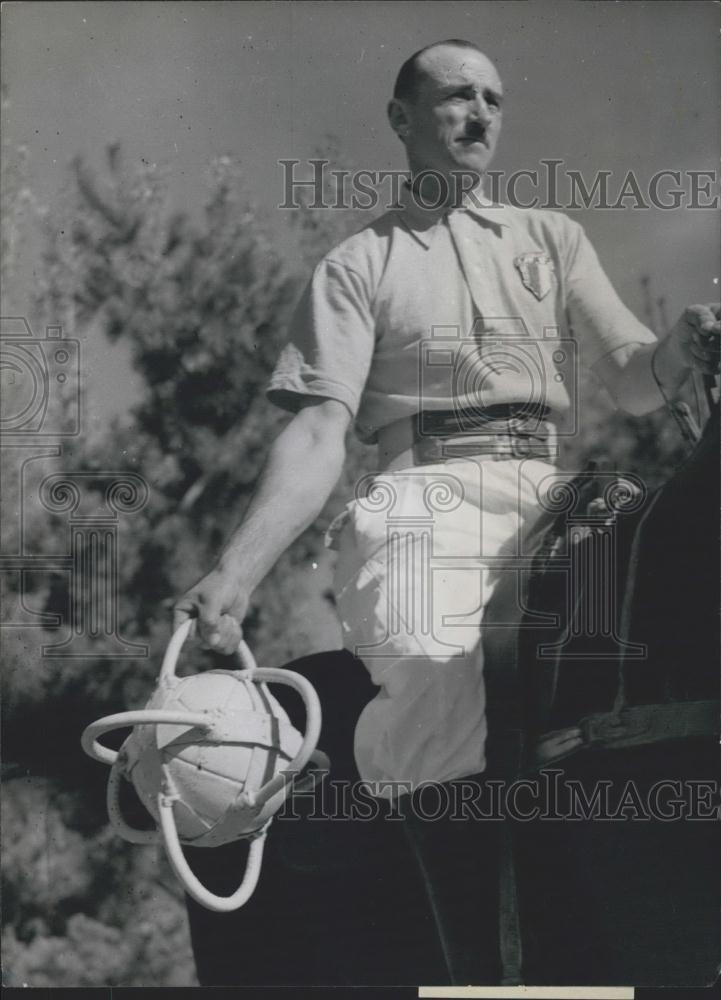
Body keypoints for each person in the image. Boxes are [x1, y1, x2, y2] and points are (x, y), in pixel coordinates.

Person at [173, 39, 720, 984]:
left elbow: (633, 378)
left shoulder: (552, 239)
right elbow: (315, 437)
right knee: (433, 670)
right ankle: (484, 966)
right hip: (424, 500)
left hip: (559, 500)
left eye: (493, 99)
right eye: (455, 96)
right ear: (400, 119)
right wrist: (236, 571)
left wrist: (678, 346)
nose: (479, 114)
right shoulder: (356, 265)